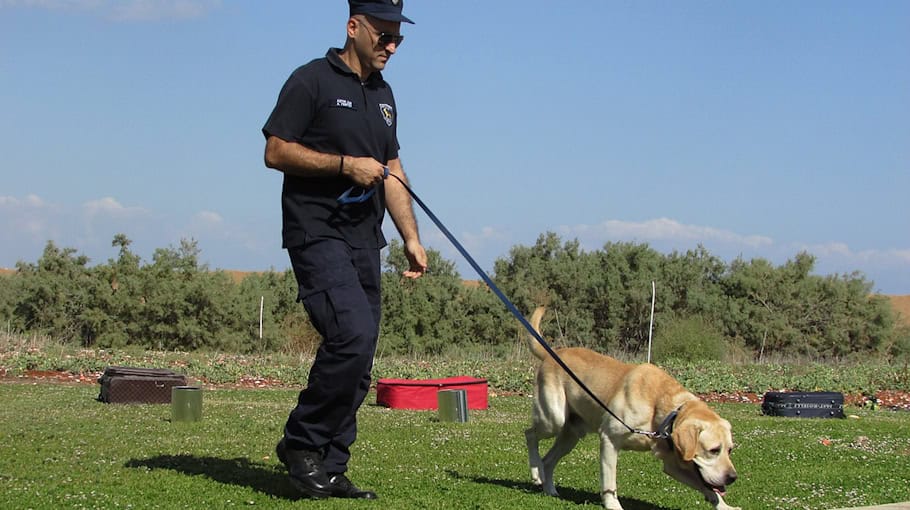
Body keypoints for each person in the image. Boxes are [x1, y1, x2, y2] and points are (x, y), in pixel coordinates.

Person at [261, 0, 427, 500]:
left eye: (398, 37)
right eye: (383, 34)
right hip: (316, 233)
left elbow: (393, 170)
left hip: (364, 240)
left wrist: (411, 238)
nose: (391, 45)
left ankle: (331, 465)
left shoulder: (385, 94)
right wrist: (343, 166)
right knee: (351, 336)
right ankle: (301, 444)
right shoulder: (310, 80)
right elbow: (275, 150)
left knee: (361, 354)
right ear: (354, 27)